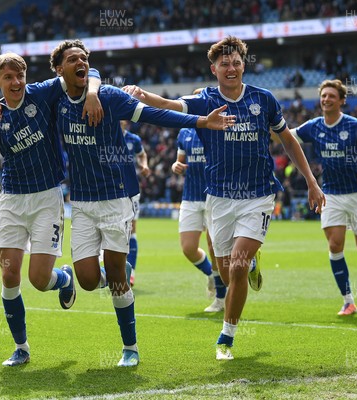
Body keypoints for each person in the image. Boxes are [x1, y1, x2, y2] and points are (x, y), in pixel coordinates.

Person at [123, 36, 326, 361]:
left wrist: (312, 182)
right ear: (213, 68)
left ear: (244, 65)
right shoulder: (205, 100)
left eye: (236, 62)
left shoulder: (264, 99)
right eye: (224, 64)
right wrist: (142, 95)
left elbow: (288, 140)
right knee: (226, 269)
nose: (231, 68)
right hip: (218, 198)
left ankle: (226, 337)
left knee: (238, 266)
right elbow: (169, 105)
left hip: (258, 195)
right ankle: (248, 264)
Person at [50, 39, 235, 367]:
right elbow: (21, 94)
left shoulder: (109, 96)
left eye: (84, 58)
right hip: (80, 202)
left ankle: (130, 348)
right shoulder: (53, 97)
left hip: (116, 199)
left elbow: (155, 116)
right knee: (88, 281)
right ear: (58, 69)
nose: (80, 62)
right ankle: (100, 274)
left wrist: (202, 121)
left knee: (118, 276)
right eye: (72, 59)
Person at [0, 52, 103, 367]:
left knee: (39, 280)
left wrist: (93, 93)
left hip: (47, 198)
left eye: (20, 76)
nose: (15, 82)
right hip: (12, 200)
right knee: (9, 274)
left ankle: (64, 279)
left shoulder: (43, 92)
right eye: (8, 77)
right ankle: (22, 348)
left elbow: (86, 70)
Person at [289, 79, 357, 316]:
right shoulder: (313, 126)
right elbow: (286, 137)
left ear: (342, 100)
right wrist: (265, 125)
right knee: (335, 244)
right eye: (323, 96)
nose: (326, 100)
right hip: (330, 194)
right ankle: (348, 300)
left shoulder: (356, 126)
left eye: (332, 96)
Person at [172, 125, 228, 312]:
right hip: (190, 197)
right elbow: (179, 161)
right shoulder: (184, 132)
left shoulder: (218, 128)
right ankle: (211, 274)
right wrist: (176, 166)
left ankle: (220, 300)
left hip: (214, 196)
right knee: (188, 248)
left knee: (215, 248)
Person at [120, 120, 151, 286]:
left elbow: (142, 155)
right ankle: (113, 270)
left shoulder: (134, 139)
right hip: (110, 190)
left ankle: (130, 272)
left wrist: (144, 165)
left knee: (131, 230)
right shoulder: (106, 135)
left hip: (131, 189)